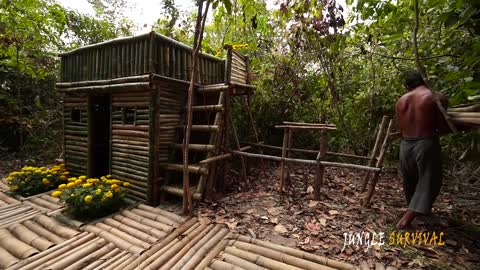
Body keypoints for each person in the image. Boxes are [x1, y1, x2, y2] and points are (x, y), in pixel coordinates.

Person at [395, 71, 450, 229]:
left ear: (408, 86)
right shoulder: (436, 97)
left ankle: (418, 213)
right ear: (425, 81)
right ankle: (407, 218)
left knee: (410, 179)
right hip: (425, 143)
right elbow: (442, 126)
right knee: (429, 180)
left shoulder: (401, 101)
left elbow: (401, 127)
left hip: (405, 145)